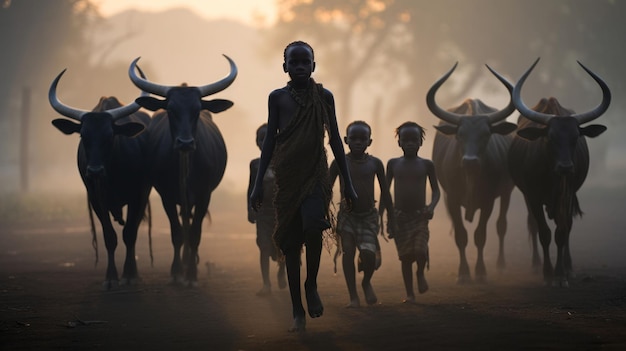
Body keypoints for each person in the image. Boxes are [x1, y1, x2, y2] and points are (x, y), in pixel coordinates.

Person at [249, 41, 357, 332]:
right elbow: (270, 140)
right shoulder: (277, 98)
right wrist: (257, 184)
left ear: (313, 65)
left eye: (304, 62)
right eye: (293, 62)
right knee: (291, 244)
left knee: (313, 225)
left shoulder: (325, 97)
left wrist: (347, 182)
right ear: (285, 67)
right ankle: (297, 309)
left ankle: (312, 284)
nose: (299, 67)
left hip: (316, 175)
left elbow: (335, 139)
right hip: (287, 177)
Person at [329, 120, 394, 308]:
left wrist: (391, 220)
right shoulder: (339, 162)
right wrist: (323, 213)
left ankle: (366, 282)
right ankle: (353, 297)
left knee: (369, 255)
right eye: (353, 138)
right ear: (345, 140)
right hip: (347, 216)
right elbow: (326, 188)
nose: (358, 142)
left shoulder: (375, 164)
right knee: (348, 251)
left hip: (368, 216)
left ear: (369, 141)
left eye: (362, 138)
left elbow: (385, 193)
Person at [386, 121, 440, 303]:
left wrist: (431, 207)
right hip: (400, 217)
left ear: (420, 142)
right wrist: (387, 218)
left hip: (420, 216)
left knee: (420, 251)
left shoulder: (427, 165)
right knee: (405, 258)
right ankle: (409, 293)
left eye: (414, 140)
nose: (410, 143)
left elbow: (436, 191)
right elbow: (386, 192)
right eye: (405, 140)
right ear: (399, 142)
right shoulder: (393, 164)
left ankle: (420, 273)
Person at [247, 123, 286, 296]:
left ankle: (281, 271)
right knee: (263, 247)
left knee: (283, 247)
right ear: (256, 142)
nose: (264, 143)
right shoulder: (255, 165)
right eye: (261, 139)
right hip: (263, 214)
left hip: (282, 214)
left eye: (268, 139)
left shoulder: (285, 163)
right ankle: (266, 284)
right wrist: (250, 209)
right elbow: (251, 188)